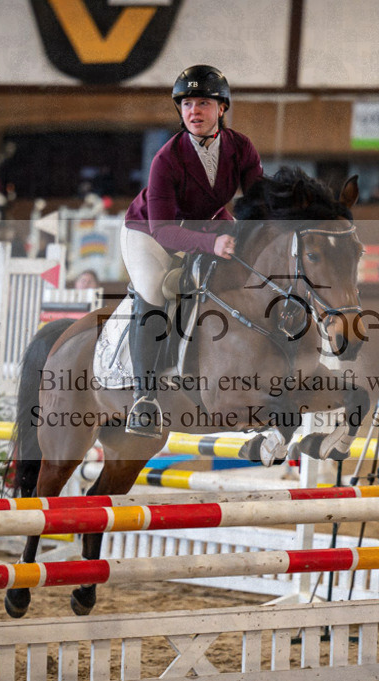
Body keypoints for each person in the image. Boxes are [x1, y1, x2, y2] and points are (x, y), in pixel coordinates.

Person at [121, 64, 263, 437]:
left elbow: (259, 201)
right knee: (154, 290)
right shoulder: (166, 159)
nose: (193, 111)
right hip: (149, 232)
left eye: (203, 102)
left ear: (221, 108)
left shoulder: (240, 147)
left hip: (205, 227)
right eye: (186, 103)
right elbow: (163, 229)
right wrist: (211, 242)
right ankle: (144, 398)